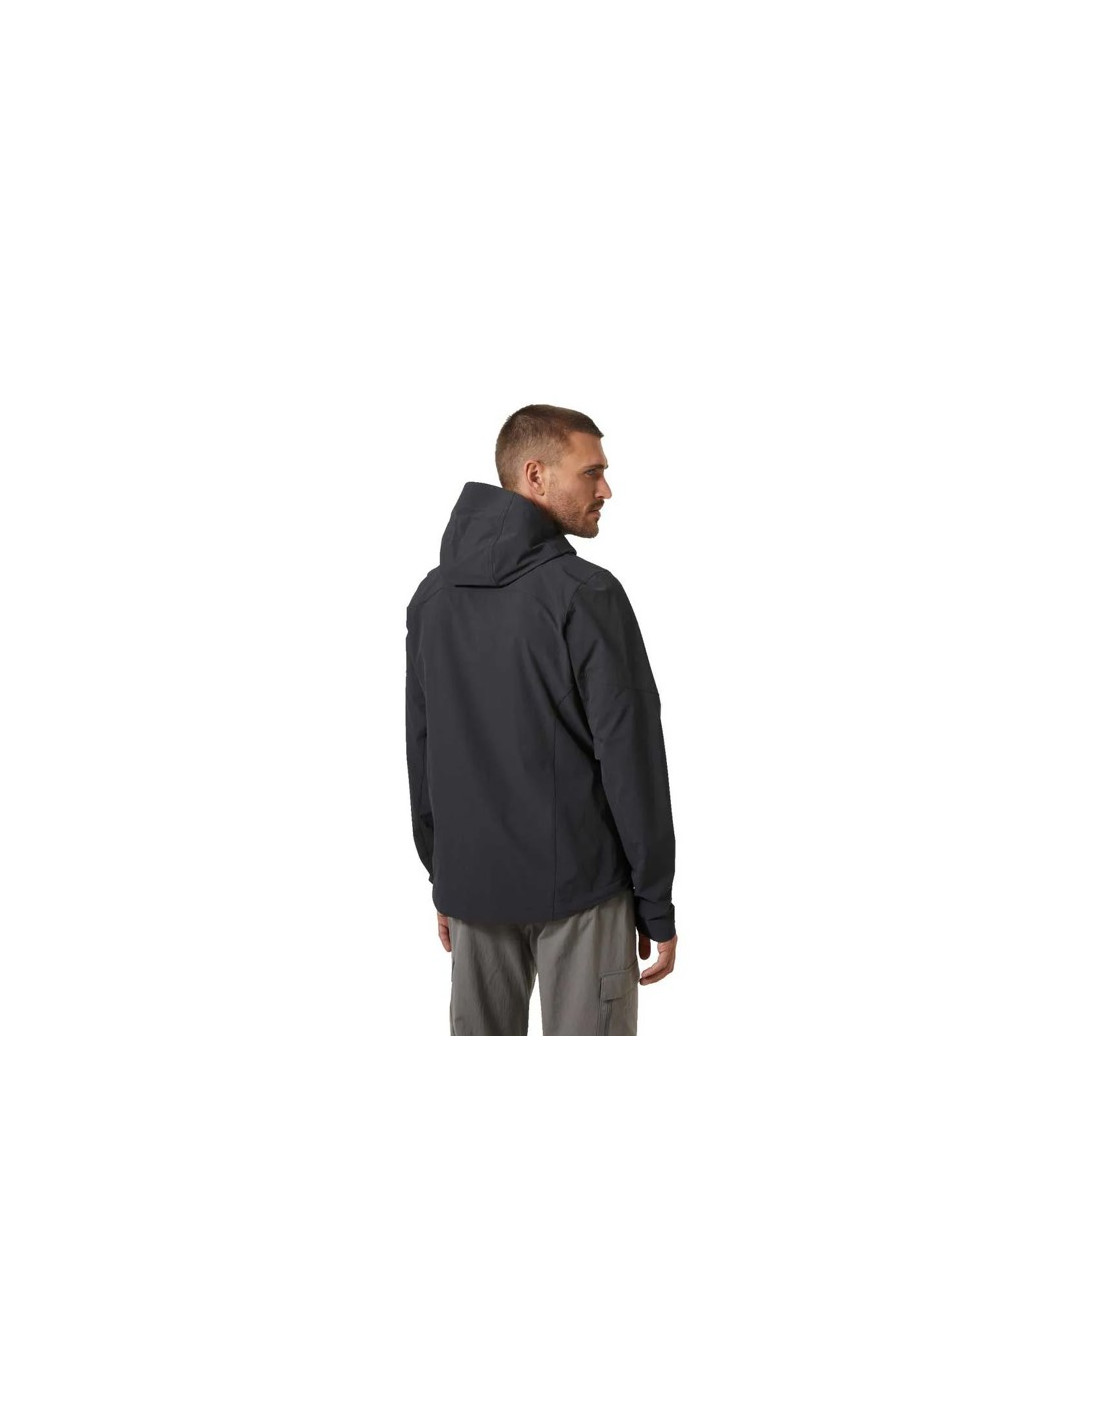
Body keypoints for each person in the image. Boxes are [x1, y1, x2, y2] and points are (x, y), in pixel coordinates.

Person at [405, 404, 678, 1035]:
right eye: (591, 472)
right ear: (536, 475)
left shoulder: (432, 598)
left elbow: (422, 749)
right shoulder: (586, 593)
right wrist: (655, 902)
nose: (606, 490)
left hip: (473, 889)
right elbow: (632, 758)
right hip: (583, 891)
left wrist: (444, 876)